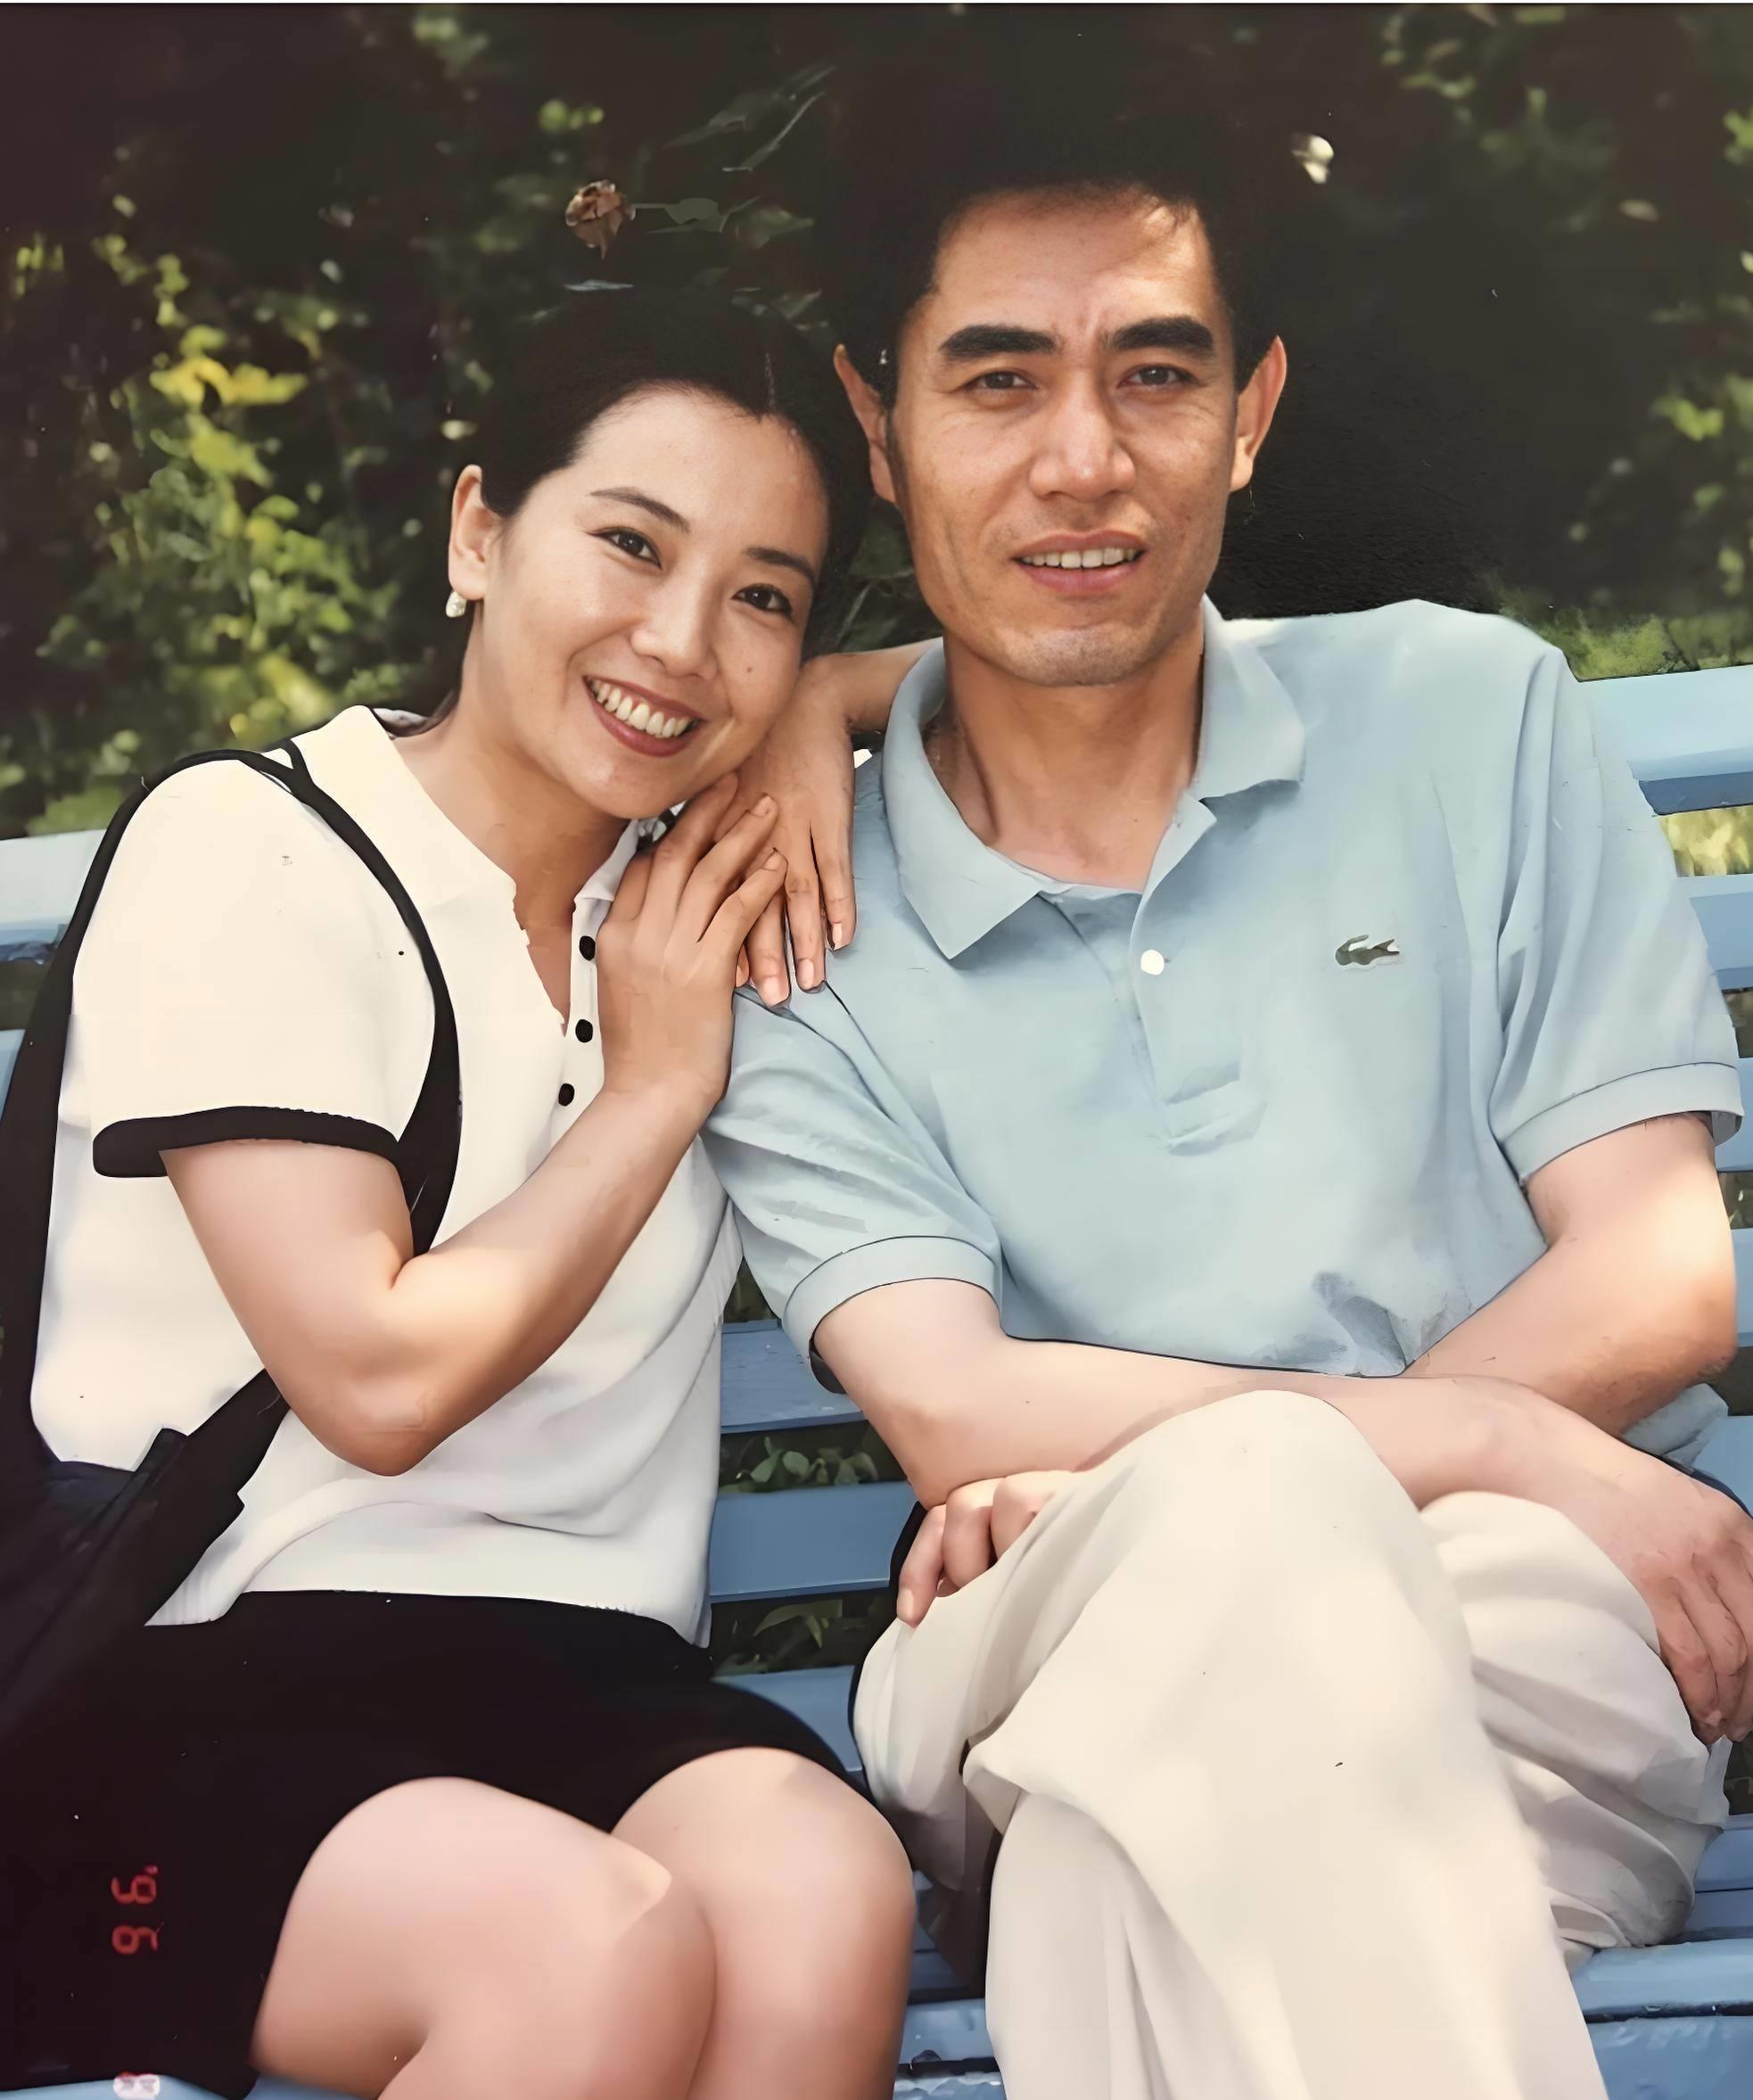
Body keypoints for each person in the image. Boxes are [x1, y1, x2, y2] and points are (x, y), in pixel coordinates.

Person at [703, 40, 1753, 2100]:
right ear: (881, 420)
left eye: (1155, 373)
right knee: (1239, 1542)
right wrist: (1513, 1439)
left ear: (1251, 409)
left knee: (1122, 1842)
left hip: (1506, 1643)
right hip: (1037, 1626)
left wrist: (1201, 1485)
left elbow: (1660, 1277)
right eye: (999, 380)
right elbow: (955, 1407)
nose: (1082, 459)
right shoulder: (797, 906)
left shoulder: (1472, 718)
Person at [0, 289, 917, 2100]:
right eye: (631, 545)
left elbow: (1120, 664)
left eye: (763, 598)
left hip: (580, 1689)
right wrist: (653, 1088)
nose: (681, 641)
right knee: (582, 1945)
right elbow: (378, 1375)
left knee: (822, 1889)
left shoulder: (714, 876)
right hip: (182, 1699)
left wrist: (830, 699)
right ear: (479, 530)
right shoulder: (254, 848)